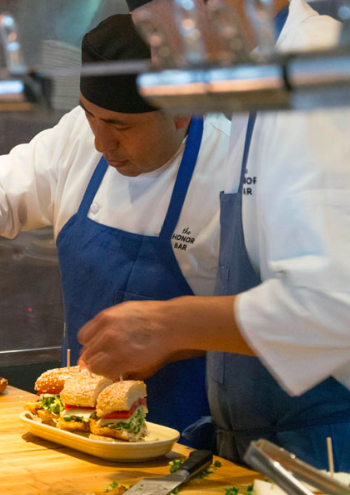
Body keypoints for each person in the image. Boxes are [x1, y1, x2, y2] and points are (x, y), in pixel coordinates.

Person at [0, 14, 231, 445]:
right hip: (77, 429)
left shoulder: (229, 166)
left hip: (191, 441)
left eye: (121, 126)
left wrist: (172, 335)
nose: (100, 143)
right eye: (92, 116)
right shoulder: (78, 134)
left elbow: (276, 316)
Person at [78, 0, 350, 470]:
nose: (158, 59)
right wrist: (173, 342)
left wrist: (168, 324)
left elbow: (333, 305)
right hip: (266, 450)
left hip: (327, 451)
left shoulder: (313, 79)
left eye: (155, 32)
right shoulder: (256, 91)